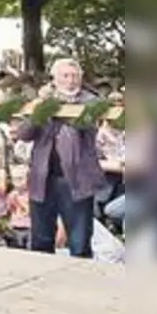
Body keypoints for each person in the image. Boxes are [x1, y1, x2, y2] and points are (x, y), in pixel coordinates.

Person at [15, 59, 103, 258]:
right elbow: (24, 134)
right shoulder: (43, 101)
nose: (71, 80)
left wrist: (62, 109)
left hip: (76, 180)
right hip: (42, 179)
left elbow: (87, 126)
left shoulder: (91, 101)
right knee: (41, 240)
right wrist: (40, 110)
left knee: (79, 242)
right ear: (54, 79)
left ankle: (81, 276)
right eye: (65, 76)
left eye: (75, 76)